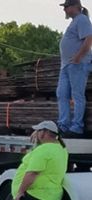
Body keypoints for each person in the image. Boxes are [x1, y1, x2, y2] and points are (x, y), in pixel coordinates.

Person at [57, 0, 92, 138]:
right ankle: (63, 125)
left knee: (77, 95)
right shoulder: (74, 22)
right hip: (65, 65)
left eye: (66, 7)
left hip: (77, 64)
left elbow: (89, 39)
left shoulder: (82, 19)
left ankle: (77, 126)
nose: (64, 10)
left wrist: (78, 57)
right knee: (62, 94)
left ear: (75, 7)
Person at [11, 121, 69, 200]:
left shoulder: (43, 150)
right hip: (51, 195)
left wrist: (20, 192)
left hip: (36, 194)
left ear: (43, 132)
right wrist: (38, 136)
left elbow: (32, 174)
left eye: (38, 131)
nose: (35, 133)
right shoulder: (61, 149)